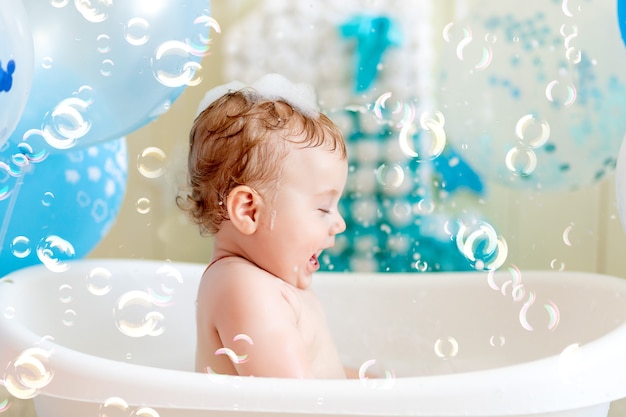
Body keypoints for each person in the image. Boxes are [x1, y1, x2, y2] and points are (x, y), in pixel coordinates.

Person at [177, 74, 350, 378]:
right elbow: (293, 405)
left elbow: (322, 378)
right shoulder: (242, 286)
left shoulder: (273, 283)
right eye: (323, 207)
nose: (339, 223)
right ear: (249, 210)